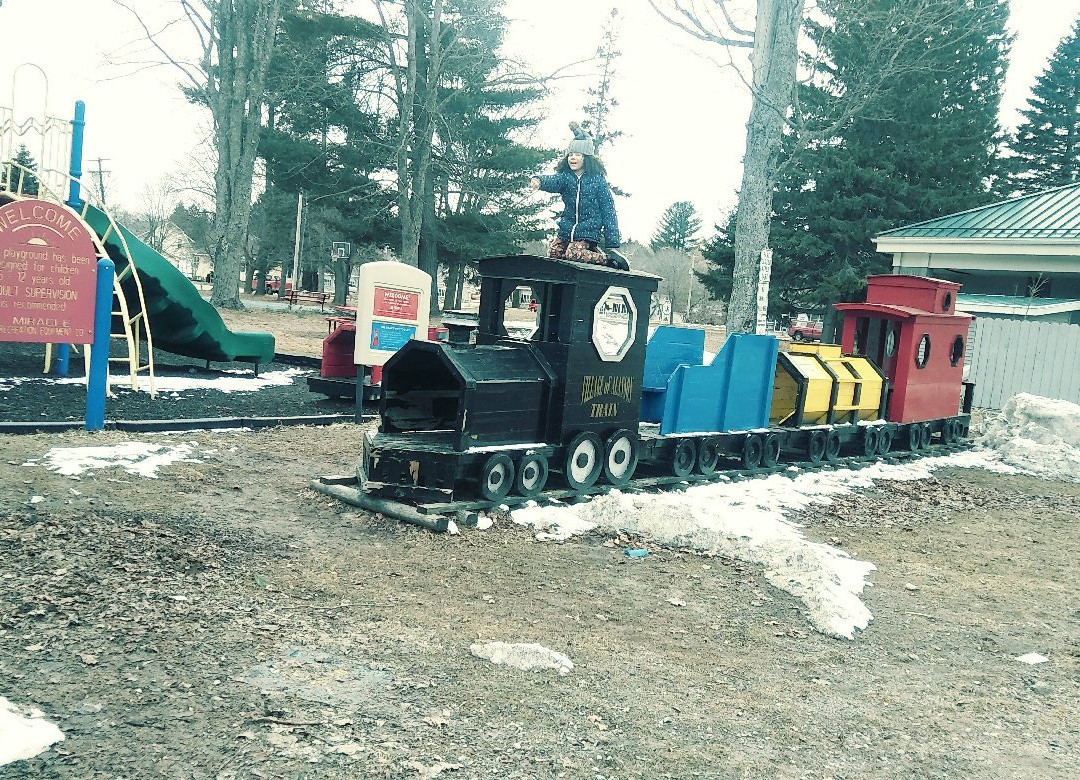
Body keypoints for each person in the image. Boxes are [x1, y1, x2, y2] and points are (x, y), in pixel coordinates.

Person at [529, 122, 629, 270]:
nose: (573, 158)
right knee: (553, 253)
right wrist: (539, 181)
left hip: (588, 229)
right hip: (567, 228)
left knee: (573, 253)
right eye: (570, 155)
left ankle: (607, 259)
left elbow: (608, 209)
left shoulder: (597, 180)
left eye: (577, 155)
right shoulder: (565, 177)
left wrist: (612, 240)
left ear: (586, 158)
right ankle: (577, 268)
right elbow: (553, 181)